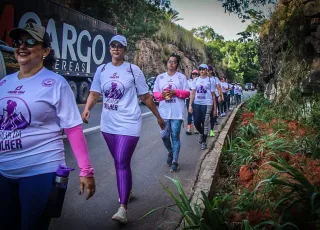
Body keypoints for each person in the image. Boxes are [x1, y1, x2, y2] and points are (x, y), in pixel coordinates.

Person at [0, 23, 96, 230]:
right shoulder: (4, 82)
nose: (22, 47)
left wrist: (86, 171)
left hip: (40, 171)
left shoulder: (56, 83)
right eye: (18, 42)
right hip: (4, 172)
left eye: (31, 42)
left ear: (45, 51)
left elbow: (73, 128)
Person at [81, 35, 165, 224]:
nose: (116, 49)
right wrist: (87, 109)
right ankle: (127, 188)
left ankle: (123, 208)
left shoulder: (133, 70)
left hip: (129, 122)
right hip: (108, 123)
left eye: (120, 46)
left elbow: (145, 96)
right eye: (113, 46)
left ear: (125, 50)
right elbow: (94, 93)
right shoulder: (102, 69)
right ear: (109, 49)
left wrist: (158, 117)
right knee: (120, 161)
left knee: (120, 161)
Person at [153, 53, 190, 172]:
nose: (171, 64)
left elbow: (187, 93)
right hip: (164, 112)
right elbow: (155, 93)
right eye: (169, 61)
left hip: (177, 113)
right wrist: (162, 95)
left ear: (177, 65)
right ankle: (170, 151)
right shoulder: (160, 77)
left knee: (175, 136)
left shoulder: (182, 78)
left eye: (174, 62)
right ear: (167, 63)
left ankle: (175, 161)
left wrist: (175, 92)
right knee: (164, 136)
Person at [189, 64, 217, 150]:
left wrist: (215, 109)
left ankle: (204, 141)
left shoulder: (210, 80)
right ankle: (202, 134)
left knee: (205, 123)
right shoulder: (195, 80)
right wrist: (190, 105)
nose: (201, 71)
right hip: (197, 103)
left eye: (203, 69)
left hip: (207, 103)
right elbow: (193, 93)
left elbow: (213, 95)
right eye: (200, 69)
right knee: (196, 122)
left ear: (207, 71)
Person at [208, 66, 221, 136]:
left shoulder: (215, 79)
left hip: (213, 97)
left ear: (211, 71)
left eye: (208, 70)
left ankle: (211, 130)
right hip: (204, 99)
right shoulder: (202, 79)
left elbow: (218, 87)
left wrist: (219, 96)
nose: (207, 71)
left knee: (213, 114)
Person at [186, 69, 199, 135]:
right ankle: (189, 128)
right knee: (189, 113)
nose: (194, 75)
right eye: (193, 74)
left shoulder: (199, 81)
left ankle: (196, 128)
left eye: (196, 74)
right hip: (189, 99)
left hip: (196, 99)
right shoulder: (188, 81)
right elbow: (186, 89)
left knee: (196, 114)